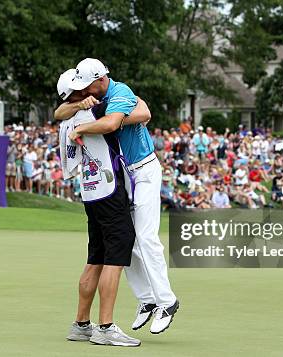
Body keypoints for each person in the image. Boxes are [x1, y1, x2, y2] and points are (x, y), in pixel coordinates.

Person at [55, 58, 179, 335]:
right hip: (125, 176)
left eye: (88, 86)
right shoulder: (93, 99)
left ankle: (167, 302)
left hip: (144, 169)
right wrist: (80, 106)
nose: (86, 91)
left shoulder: (120, 92)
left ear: (100, 80)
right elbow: (59, 111)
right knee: (129, 240)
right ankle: (147, 299)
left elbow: (113, 123)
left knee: (146, 238)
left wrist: (81, 127)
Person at [57, 69, 148, 347]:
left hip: (91, 191)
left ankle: (81, 324)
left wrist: (75, 104)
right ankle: (105, 327)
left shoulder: (69, 116)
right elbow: (142, 112)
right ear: (79, 92)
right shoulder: (96, 111)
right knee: (115, 257)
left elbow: (59, 111)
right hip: (109, 188)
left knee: (95, 256)